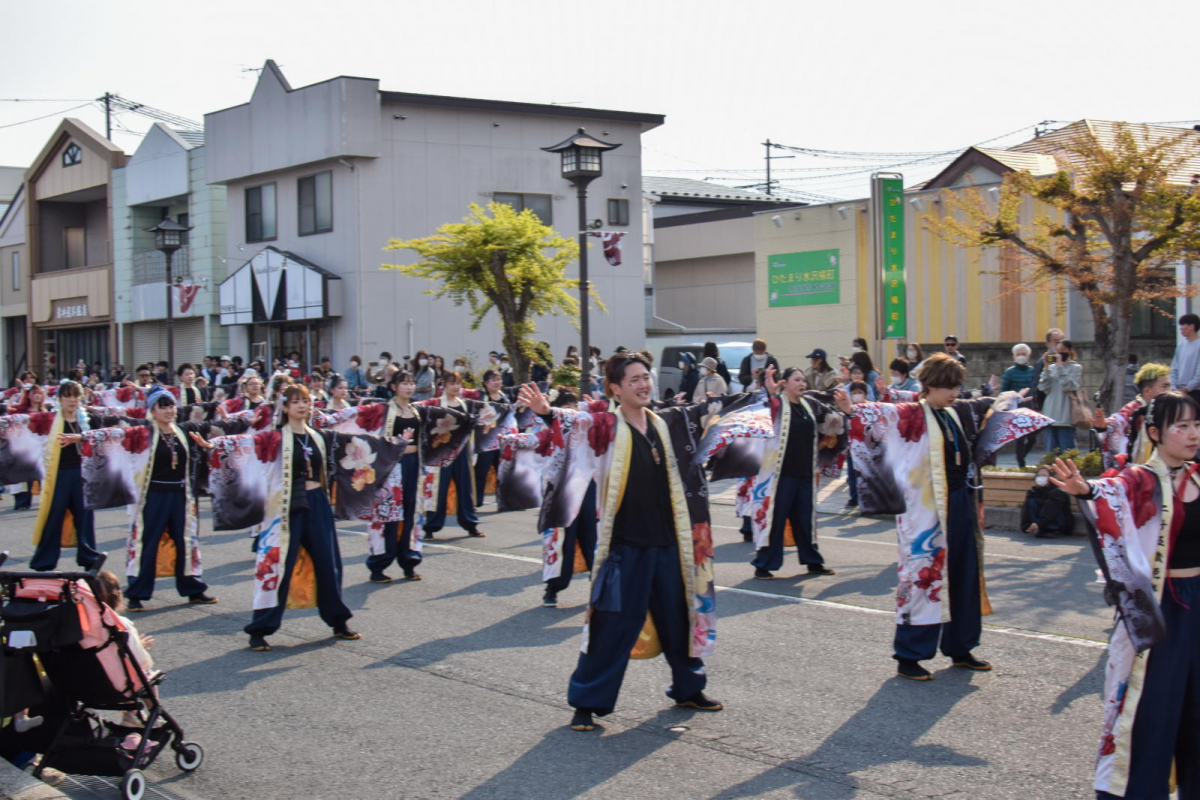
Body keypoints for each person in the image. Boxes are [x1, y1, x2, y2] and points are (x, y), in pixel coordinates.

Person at [515, 353, 749, 732]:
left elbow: (707, 414)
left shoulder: (664, 421)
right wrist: (546, 413)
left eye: (645, 377)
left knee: (680, 619)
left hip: (670, 543)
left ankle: (689, 687)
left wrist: (759, 397)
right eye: (634, 380)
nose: (643, 385)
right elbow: (574, 424)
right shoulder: (605, 426)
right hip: (626, 546)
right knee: (611, 625)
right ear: (615, 389)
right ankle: (586, 703)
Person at [847, 353, 1051, 681]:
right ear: (930, 385)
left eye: (957, 386)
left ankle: (961, 646)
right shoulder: (911, 413)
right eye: (948, 387)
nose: (955, 393)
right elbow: (877, 415)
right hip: (925, 508)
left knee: (964, 572)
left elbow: (985, 406)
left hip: (960, 500)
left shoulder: (957, 411)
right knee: (922, 576)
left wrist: (1010, 398)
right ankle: (910, 655)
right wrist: (851, 410)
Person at [1049, 391, 1200, 799]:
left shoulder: (1198, 476)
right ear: (1155, 433)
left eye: (1196, 425)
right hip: (1160, 608)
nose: (1192, 434)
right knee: (1151, 709)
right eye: (1181, 426)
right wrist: (1085, 489)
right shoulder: (1140, 480)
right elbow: (1109, 491)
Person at [94, 387, 252, 610]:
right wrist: (81, 436)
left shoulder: (185, 430)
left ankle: (193, 589)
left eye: (171, 406)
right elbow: (113, 433)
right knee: (148, 542)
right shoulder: (143, 432)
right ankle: (137, 593)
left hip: (180, 494)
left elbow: (218, 428)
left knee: (185, 542)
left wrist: (248, 421)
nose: (169, 410)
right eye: (163, 407)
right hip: (153, 495)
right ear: (152, 411)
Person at [234, 386, 361, 651]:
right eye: (295, 402)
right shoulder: (274, 437)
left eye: (305, 400)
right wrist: (213, 446)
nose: (302, 405)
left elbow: (356, 443)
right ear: (284, 407)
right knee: (277, 565)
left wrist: (395, 444)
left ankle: (338, 621)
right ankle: (260, 629)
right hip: (285, 505)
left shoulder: (318, 436)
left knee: (328, 563)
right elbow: (243, 446)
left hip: (317, 502)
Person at [747, 367, 851, 580]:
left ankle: (813, 562)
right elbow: (757, 412)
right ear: (784, 383)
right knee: (775, 520)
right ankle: (763, 564)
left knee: (805, 520)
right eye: (797, 380)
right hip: (780, 475)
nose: (802, 383)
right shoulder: (775, 404)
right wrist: (768, 393)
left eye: (803, 380)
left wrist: (846, 411)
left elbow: (834, 421)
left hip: (805, 473)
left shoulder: (810, 405)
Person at [27, 382, 111, 571]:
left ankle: (89, 558)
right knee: (54, 514)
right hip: (60, 474)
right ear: (60, 399)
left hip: (83, 474)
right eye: (68, 396)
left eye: (76, 396)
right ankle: (44, 561)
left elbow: (101, 438)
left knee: (85, 516)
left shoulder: (88, 419)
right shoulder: (50, 420)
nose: (72, 400)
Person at [539, 390, 598, 608]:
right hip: (562, 489)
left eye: (574, 407)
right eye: (565, 409)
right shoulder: (552, 430)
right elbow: (533, 442)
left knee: (591, 536)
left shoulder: (587, 427)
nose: (571, 413)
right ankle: (553, 587)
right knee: (564, 539)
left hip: (587, 486)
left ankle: (598, 584)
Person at [422, 370, 484, 539]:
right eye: (452, 383)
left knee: (465, 488)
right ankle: (431, 527)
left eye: (458, 383)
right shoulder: (436, 404)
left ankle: (470, 524)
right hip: (441, 451)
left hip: (461, 451)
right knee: (438, 490)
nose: (456, 387)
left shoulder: (465, 405)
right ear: (444, 385)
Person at [1094, 362, 1171, 471]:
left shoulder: (1169, 409)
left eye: (1169, 386)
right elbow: (1119, 420)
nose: (1169, 391)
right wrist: (1104, 426)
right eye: (1164, 386)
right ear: (1147, 391)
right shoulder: (1134, 409)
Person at [1038, 338, 1083, 454]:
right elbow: (1043, 387)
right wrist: (1046, 369)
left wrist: (1060, 367)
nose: (1059, 354)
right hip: (1050, 413)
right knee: (1050, 453)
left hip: (1065, 414)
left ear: (1070, 351)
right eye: (1057, 351)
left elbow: (1070, 386)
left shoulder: (1076, 368)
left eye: (1063, 350)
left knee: (1067, 452)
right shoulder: (1051, 368)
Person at [472, 369, 506, 507]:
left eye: (499, 379)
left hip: (502, 439)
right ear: (485, 383)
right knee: (481, 471)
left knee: (502, 472)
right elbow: (474, 417)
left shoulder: (505, 398)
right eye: (493, 380)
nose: (497, 382)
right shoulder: (480, 399)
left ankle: (503, 500)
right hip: (485, 441)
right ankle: (476, 501)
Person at [1001, 344, 1038, 468]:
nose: (1021, 357)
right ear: (1013, 357)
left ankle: (1022, 456)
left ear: (1029, 356)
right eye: (1018, 354)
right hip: (1016, 408)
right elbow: (1004, 391)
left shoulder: (1033, 371)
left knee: (1032, 438)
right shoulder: (1009, 372)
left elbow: (1036, 388)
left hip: (1030, 407)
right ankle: (1021, 464)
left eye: (1024, 354)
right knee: (1020, 437)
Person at [1019, 466, 1074, 538]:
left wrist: (1039, 524)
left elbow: (1050, 510)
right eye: (1039, 476)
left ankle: (1053, 528)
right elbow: (1026, 509)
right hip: (1041, 523)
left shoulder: (1058, 492)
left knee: (1049, 505)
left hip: (1060, 522)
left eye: (1044, 475)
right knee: (1031, 501)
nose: (1041, 478)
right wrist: (1025, 525)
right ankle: (1039, 528)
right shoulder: (1033, 491)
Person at [1170, 312, 1200, 404]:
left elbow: (1199, 373)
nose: (1181, 328)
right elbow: (1174, 368)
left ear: (1192, 326)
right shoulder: (1181, 346)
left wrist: (1187, 388)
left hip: (1196, 392)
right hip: (1178, 391)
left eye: (1183, 325)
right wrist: (1173, 387)